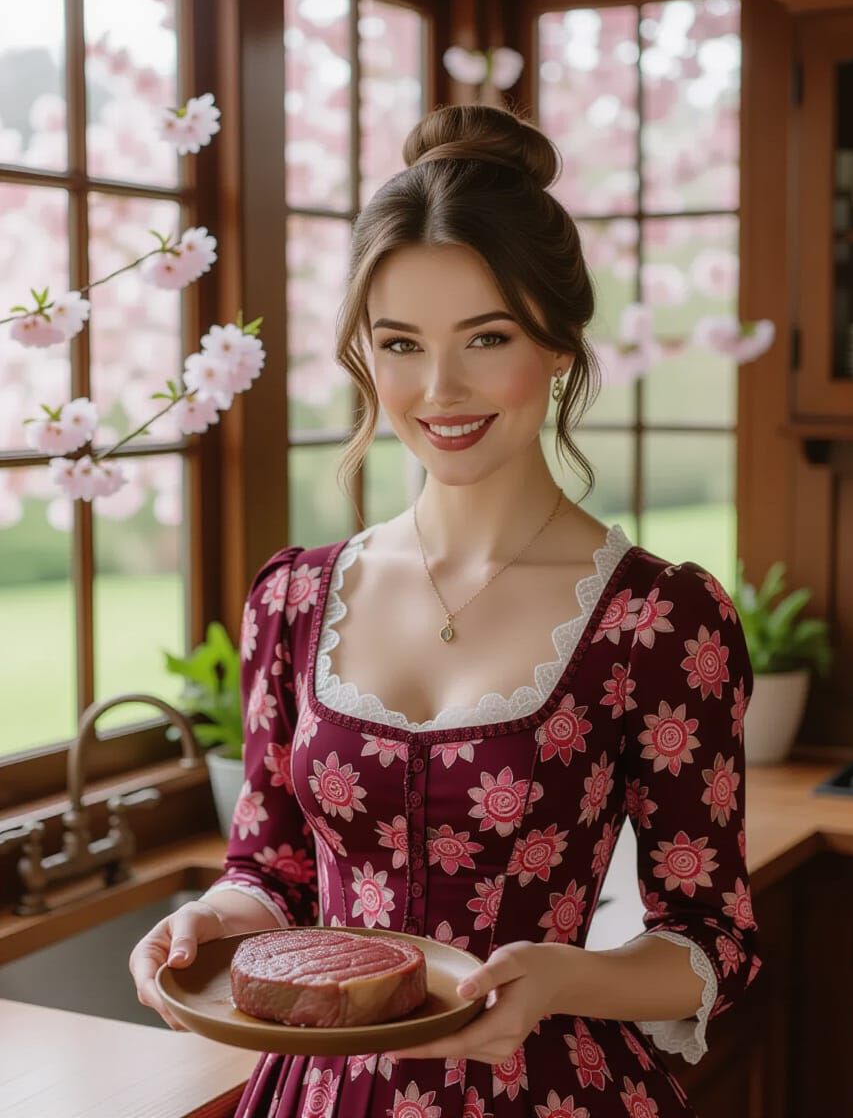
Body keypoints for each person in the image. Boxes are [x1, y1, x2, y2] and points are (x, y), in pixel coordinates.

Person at [130, 103, 761, 1117]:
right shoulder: (293, 599)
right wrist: (211, 916)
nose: (438, 388)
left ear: (558, 341)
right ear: (362, 356)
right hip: (319, 1094)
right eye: (400, 343)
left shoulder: (657, 622)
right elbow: (272, 866)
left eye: (486, 336)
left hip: (554, 1089)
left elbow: (711, 943)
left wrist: (561, 978)